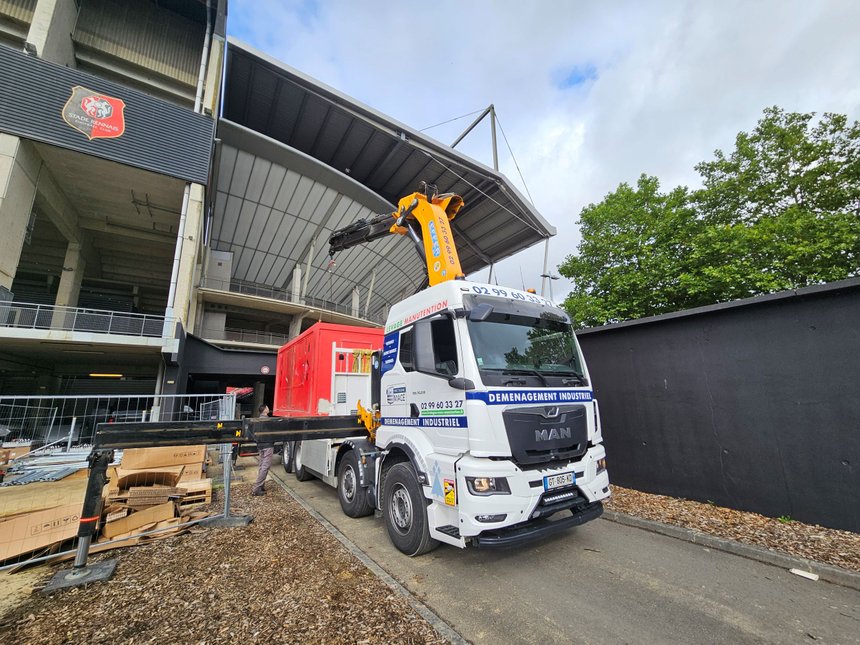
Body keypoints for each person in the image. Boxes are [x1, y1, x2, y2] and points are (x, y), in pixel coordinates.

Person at [252, 404, 274, 496]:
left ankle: (261, 486)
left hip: (260, 445)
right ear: (265, 410)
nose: (269, 409)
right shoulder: (268, 420)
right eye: (268, 407)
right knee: (265, 466)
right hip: (267, 445)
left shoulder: (257, 420)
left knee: (262, 465)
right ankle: (256, 488)